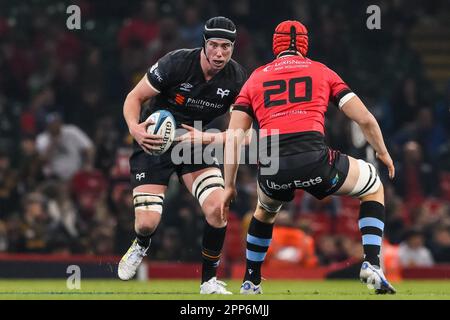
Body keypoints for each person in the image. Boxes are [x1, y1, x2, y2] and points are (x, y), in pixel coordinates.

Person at [222, 20, 396, 294]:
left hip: (272, 166)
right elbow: (365, 118)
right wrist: (383, 152)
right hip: (314, 159)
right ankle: (372, 264)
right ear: (305, 44)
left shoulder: (255, 77)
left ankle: (250, 280)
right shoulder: (321, 71)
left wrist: (229, 185)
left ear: (275, 45)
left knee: (264, 212)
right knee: (373, 187)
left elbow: (233, 138)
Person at [119, 16, 247, 294]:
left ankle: (208, 281)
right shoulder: (176, 63)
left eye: (226, 46)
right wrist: (134, 129)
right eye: (214, 45)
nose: (220, 53)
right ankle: (142, 243)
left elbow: (242, 133)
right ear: (203, 44)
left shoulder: (237, 79)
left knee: (217, 209)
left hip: (196, 140)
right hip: (155, 140)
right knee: (147, 223)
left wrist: (208, 137)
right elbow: (134, 97)